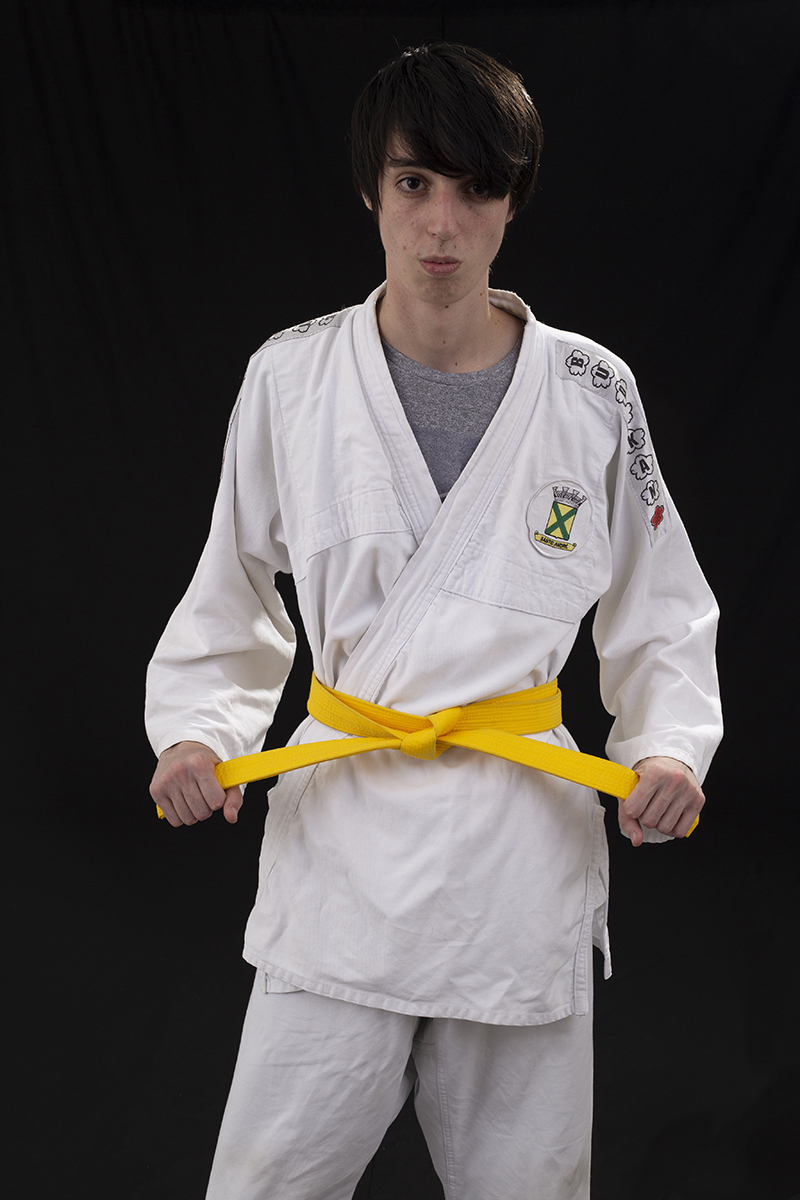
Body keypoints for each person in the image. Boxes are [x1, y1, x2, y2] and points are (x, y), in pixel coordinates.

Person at [146, 42, 721, 1200]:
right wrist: (197, 732)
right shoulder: (291, 378)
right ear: (371, 191)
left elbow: (660, 606)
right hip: (343, 853)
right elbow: (231, 587)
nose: (442, 224)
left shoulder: (591, 391)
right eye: (413, 183)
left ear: (513, 200)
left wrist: (665, 748)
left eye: (476, 187)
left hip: (515, 860)